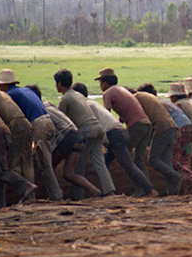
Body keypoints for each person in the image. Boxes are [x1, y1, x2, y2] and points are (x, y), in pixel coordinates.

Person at [71, 82, 157, 197]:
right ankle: (108, 190)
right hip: (120, 131)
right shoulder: (94, 103)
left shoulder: (85, 106)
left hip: (113, 134)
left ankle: (150, 190)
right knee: (106, 160)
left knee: (128, 164)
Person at [0, 69, 62, 201]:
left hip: (39, 126)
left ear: (3, 85)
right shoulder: (26, 90)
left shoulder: (10, 95)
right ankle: (45, 195)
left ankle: (56, 196)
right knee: (38, 163)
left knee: (44, 165)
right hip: (48, 123)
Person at [26, 84, 101, 198]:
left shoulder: (39, 110)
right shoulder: (49, 104)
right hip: (77, 136)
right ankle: (94, 190)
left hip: (67, 138)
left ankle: (55, 194)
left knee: (46, 166)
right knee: (69, 173)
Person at [53, 69, 116, 199]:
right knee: (99, 162)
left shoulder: (65, 99)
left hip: (86, 131)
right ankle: (109, 191)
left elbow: (62, 124)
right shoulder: (78, 95)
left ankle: (78, 195)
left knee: (79, 165)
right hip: (98, 129)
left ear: (59, 83)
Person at [137, 83, 192, 195]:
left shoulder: (152, 103)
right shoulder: (162, 101)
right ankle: (180, 191)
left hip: (178, 128)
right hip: (188, 127)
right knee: (181, 159)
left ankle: (190, 177)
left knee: (167, 160)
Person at [96, 68, 153, 185]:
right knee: (139, 160)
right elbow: (125, 112)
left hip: (136, 125)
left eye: (100, 82)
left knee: (122, 156)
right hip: (146, 124)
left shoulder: (108, 93)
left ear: (105, 83)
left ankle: (142, 188)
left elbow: (106, 115)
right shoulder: (122, 90)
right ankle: (147, 188)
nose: (100, 85)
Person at [134, 89, 184, 195]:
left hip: (162, 128)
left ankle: (177, 177)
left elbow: (142, 121)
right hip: (172, 127)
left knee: (153, 159)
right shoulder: (148, 96)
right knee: (167, 162)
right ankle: (172, 192)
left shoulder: (136, 98)